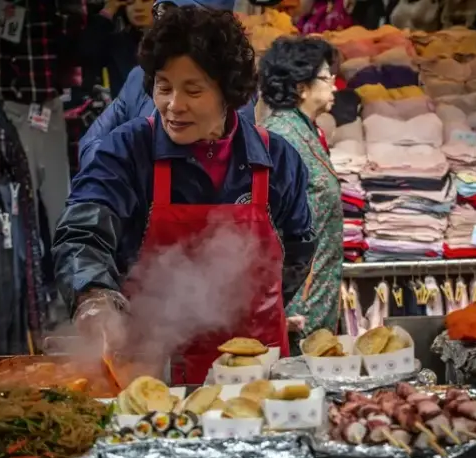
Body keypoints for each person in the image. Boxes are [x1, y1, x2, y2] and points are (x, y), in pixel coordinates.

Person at [53, 7, 316, 384]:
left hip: (257, 376)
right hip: (149, 374)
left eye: (193, 90)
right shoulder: (126, 152)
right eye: (164, 86)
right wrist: (93, 295)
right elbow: (82, 233)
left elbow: (298, 250)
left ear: (228, 93)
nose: (174, 105)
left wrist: (262, 308)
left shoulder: (277, 160)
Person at [76, 0, 258, 170]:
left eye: (193, 91)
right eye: (164, 14)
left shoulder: (233, 88)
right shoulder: (139, 76)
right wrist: (127, 171)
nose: (175, 105)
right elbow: (90, 144)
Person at [259, 37, 343, 353]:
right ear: (300, 87)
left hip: (314, 294)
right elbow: (268, 228)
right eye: (326, 77)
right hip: (295, 304)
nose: (335, 86)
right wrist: (280, 306)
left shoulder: (305, 129)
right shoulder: (281, 137)